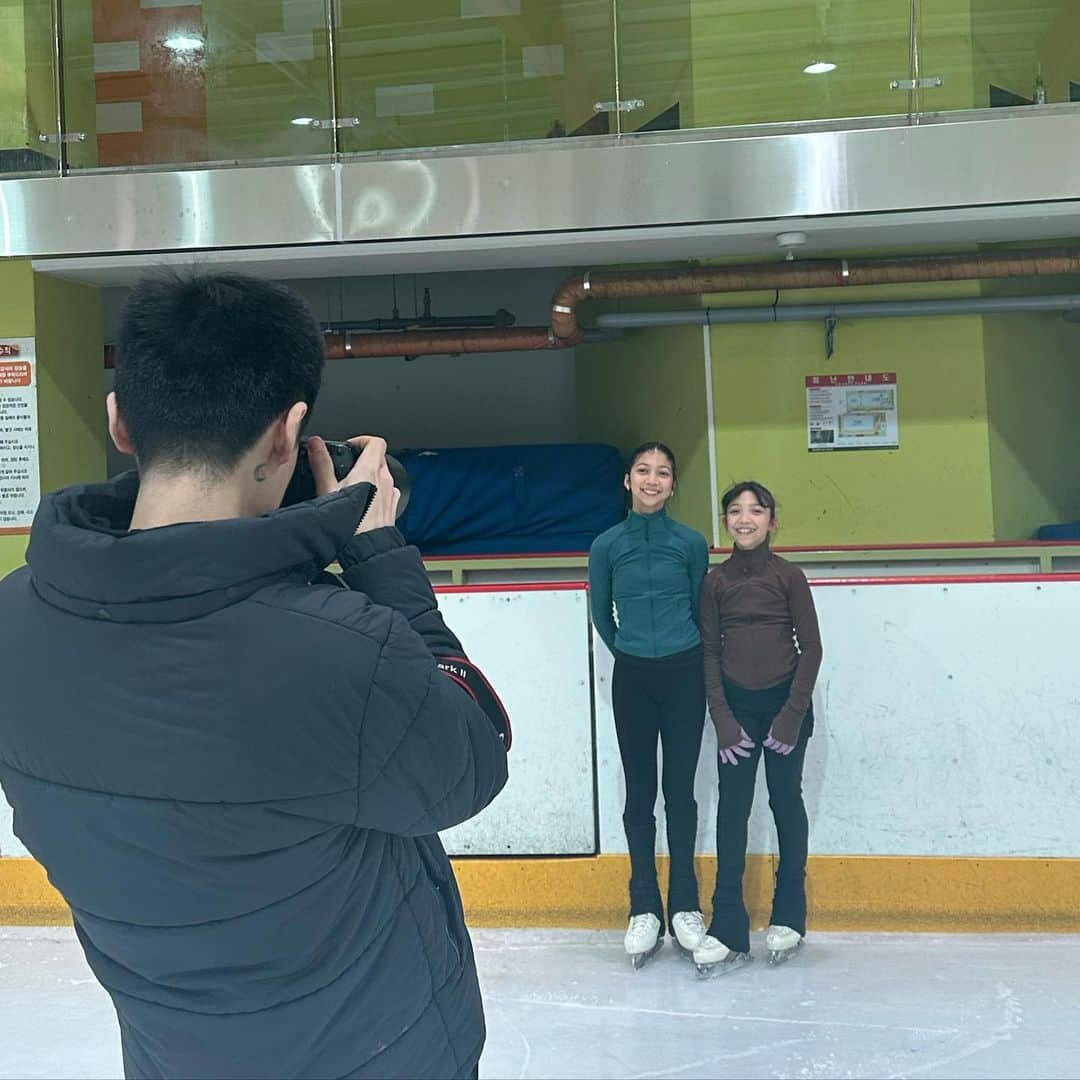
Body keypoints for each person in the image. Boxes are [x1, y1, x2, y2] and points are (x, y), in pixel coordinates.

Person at [0, 272, 510, 1079]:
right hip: (374, 1054)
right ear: (288, 435)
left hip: (171, 1052)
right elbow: (470, 763)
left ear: (120, 421)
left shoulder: (13, 620)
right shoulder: (343, 649)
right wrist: (377, 552)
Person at [588, 442, 711, 968]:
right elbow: (602, 614)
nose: (652, 480)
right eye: (643, 471)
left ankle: (684, 903)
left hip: (685, 675)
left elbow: (703, 607)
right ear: (628, 480)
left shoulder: (691, 543)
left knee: (679, 791)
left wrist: (675, 653)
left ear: (673, 485)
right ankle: (644, 907)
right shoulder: (606, 545)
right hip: (633, 676)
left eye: (663, 472)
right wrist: (633, 653)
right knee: (640, 792)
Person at [695, 480, 823, 976]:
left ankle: (789, 913)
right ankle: (727, 923)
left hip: (786, 704)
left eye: (756, 510)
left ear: (772, 520)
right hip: (736, 711)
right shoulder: (715, 582)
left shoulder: (789, 576)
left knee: (785, 800)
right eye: (735, 511)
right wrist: (722, 719)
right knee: (732, 808)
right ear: (725, 521)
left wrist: (791, 714)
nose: (744, 518)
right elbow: (709, 651)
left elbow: (811, 648)